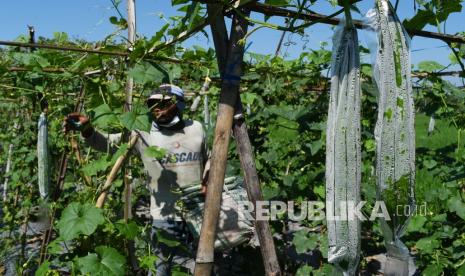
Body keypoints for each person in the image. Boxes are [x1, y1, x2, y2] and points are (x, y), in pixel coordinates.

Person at [64, 84, 208, 275]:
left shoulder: (196, 128)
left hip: (199, 213)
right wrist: (88, 130)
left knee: (201, 267)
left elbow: (210, 159)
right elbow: (109, 143)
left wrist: (207, 180)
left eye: (164, 103)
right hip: (163, 217)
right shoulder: (142, 134)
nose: (157, 108)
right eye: (152, 104)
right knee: (162, 270)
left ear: (180, 104)